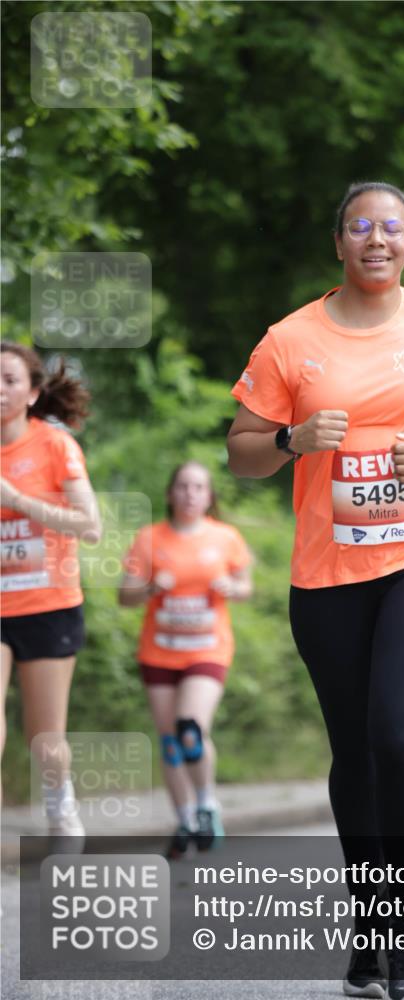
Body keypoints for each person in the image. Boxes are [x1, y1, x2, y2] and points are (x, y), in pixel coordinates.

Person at [227, 181, 404, 1000]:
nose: (375, 239)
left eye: (391, 228)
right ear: (338, 243)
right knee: (353, 752)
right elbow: (240, 451)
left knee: (393, 732)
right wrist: (291, 438)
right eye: (359, 227)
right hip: (327, 572)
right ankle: (369, 927)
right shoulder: (289, 339)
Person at [118, 461, 253, 858]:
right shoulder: (149, 539)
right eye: (183, 486)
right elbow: (124, 596)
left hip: (207, 649)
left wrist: (232, 586)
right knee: (170, 743)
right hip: (159, 651)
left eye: (199, 487)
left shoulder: (225, 537)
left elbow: (246, 586)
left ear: (209, 496)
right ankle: (184, 819)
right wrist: (147, 589)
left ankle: (208, 804)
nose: (191, 493)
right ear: (170, 493)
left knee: (189, 727)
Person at [1, 341, 101, 837]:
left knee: (45, 739)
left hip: (48, 605)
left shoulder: (54, 445)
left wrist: (17, 500)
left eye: (9, 380)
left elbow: (90, 525)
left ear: (33, 391)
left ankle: (60, 807)